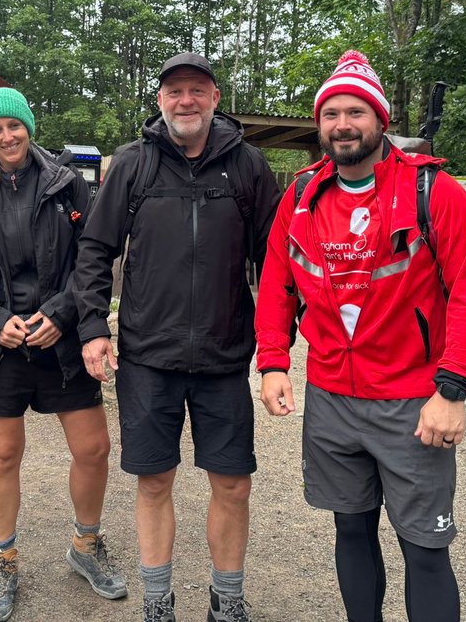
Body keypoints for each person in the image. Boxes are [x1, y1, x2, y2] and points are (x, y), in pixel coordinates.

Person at [255, 51, 466, 622]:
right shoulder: (301, 198)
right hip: (332, 399)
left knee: (425, 549)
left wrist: (453, 390)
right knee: (351, 530)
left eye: (356, 112)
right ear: (319, 125)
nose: (342, 125)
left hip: (413, 401)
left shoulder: (433, 191)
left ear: (380, 120)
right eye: (331, 114)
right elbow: (276, 285)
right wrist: (273, 363)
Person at [74, 53, 280, 622]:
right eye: (174, 91)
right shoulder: (134, 164)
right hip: (148, 356)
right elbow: (95, 250)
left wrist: (276, 346)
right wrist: (92, 327)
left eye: (196, 90)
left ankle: (227, 601)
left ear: (215, 99)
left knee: (233, 485)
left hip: (224, 357)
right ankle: (157, 602)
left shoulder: (248, 166)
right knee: (154, 482)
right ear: (160, 100)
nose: (185, 100)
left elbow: (276, 261)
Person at [0, 87, 127, 622]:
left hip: (59, 339)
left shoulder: (67, 182)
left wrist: (62, 314)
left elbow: (91, 257)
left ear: (29, 127)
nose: (7, 137)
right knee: (2, 455)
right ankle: (3, 560)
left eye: (14, 126)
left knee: (93, 448)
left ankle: (86, 544)